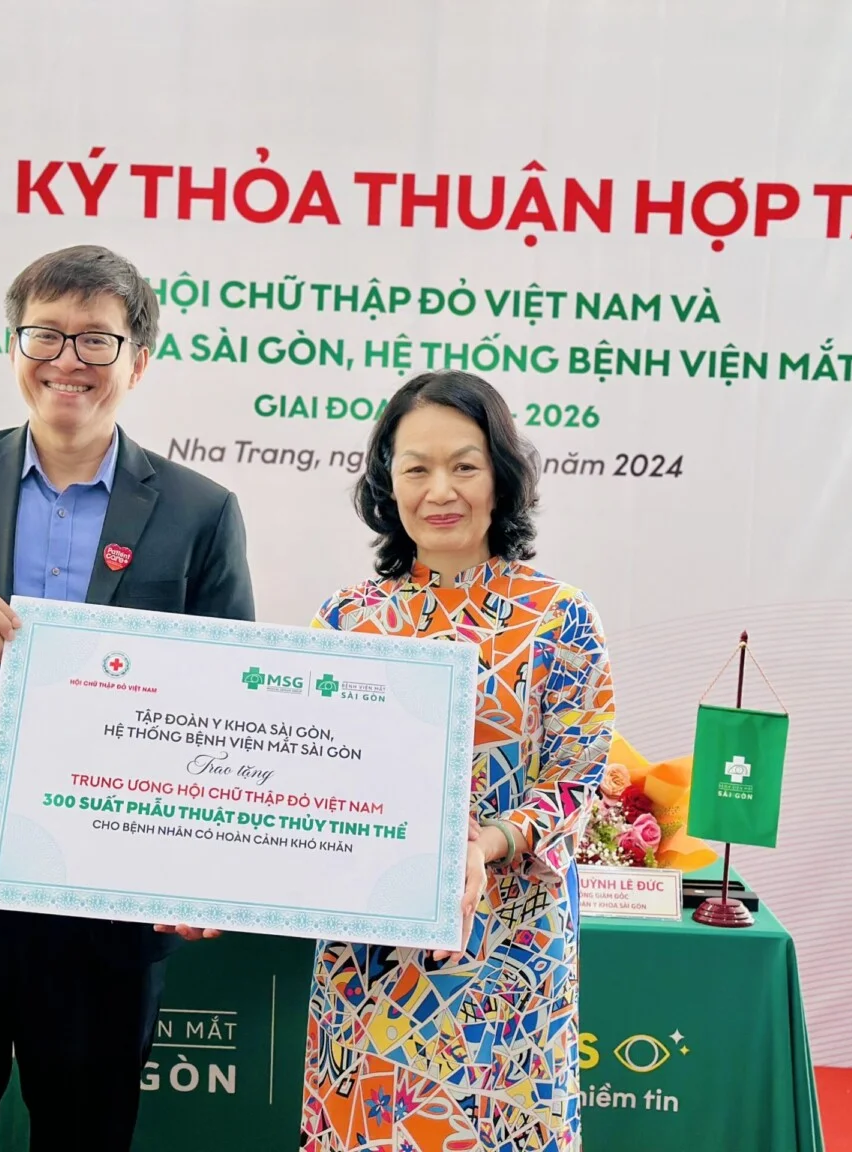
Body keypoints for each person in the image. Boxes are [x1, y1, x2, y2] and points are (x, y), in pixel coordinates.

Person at [0, 244, 254, 1152]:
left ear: (139, 361)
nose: (68, 359)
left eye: (96, 340)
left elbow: (228, 704)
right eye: (45, 335)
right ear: (13, 346)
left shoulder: (200, 511)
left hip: (107, 902)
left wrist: (206, 866)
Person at [301, 370, 614, 1152]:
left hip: (509, 949)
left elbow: (575, 781)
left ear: (500, 478)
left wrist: (487, 842)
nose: (440, 490)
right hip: (369, 953)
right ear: (388, 484)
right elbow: (305, 772)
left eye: (464, 466)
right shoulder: (345, 619)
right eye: (416, 468)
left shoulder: (561, 616)